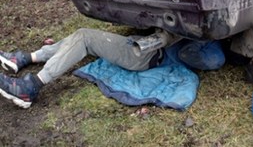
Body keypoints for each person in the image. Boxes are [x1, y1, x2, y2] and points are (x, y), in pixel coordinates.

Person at [0, 28, 225, 109]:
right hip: (143, 44)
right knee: (79, 35)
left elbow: (203, 58)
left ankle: (31, 87)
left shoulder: (214, 50)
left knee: (85, 37)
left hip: (146, 57)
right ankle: (26, 58)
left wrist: (184, 35)